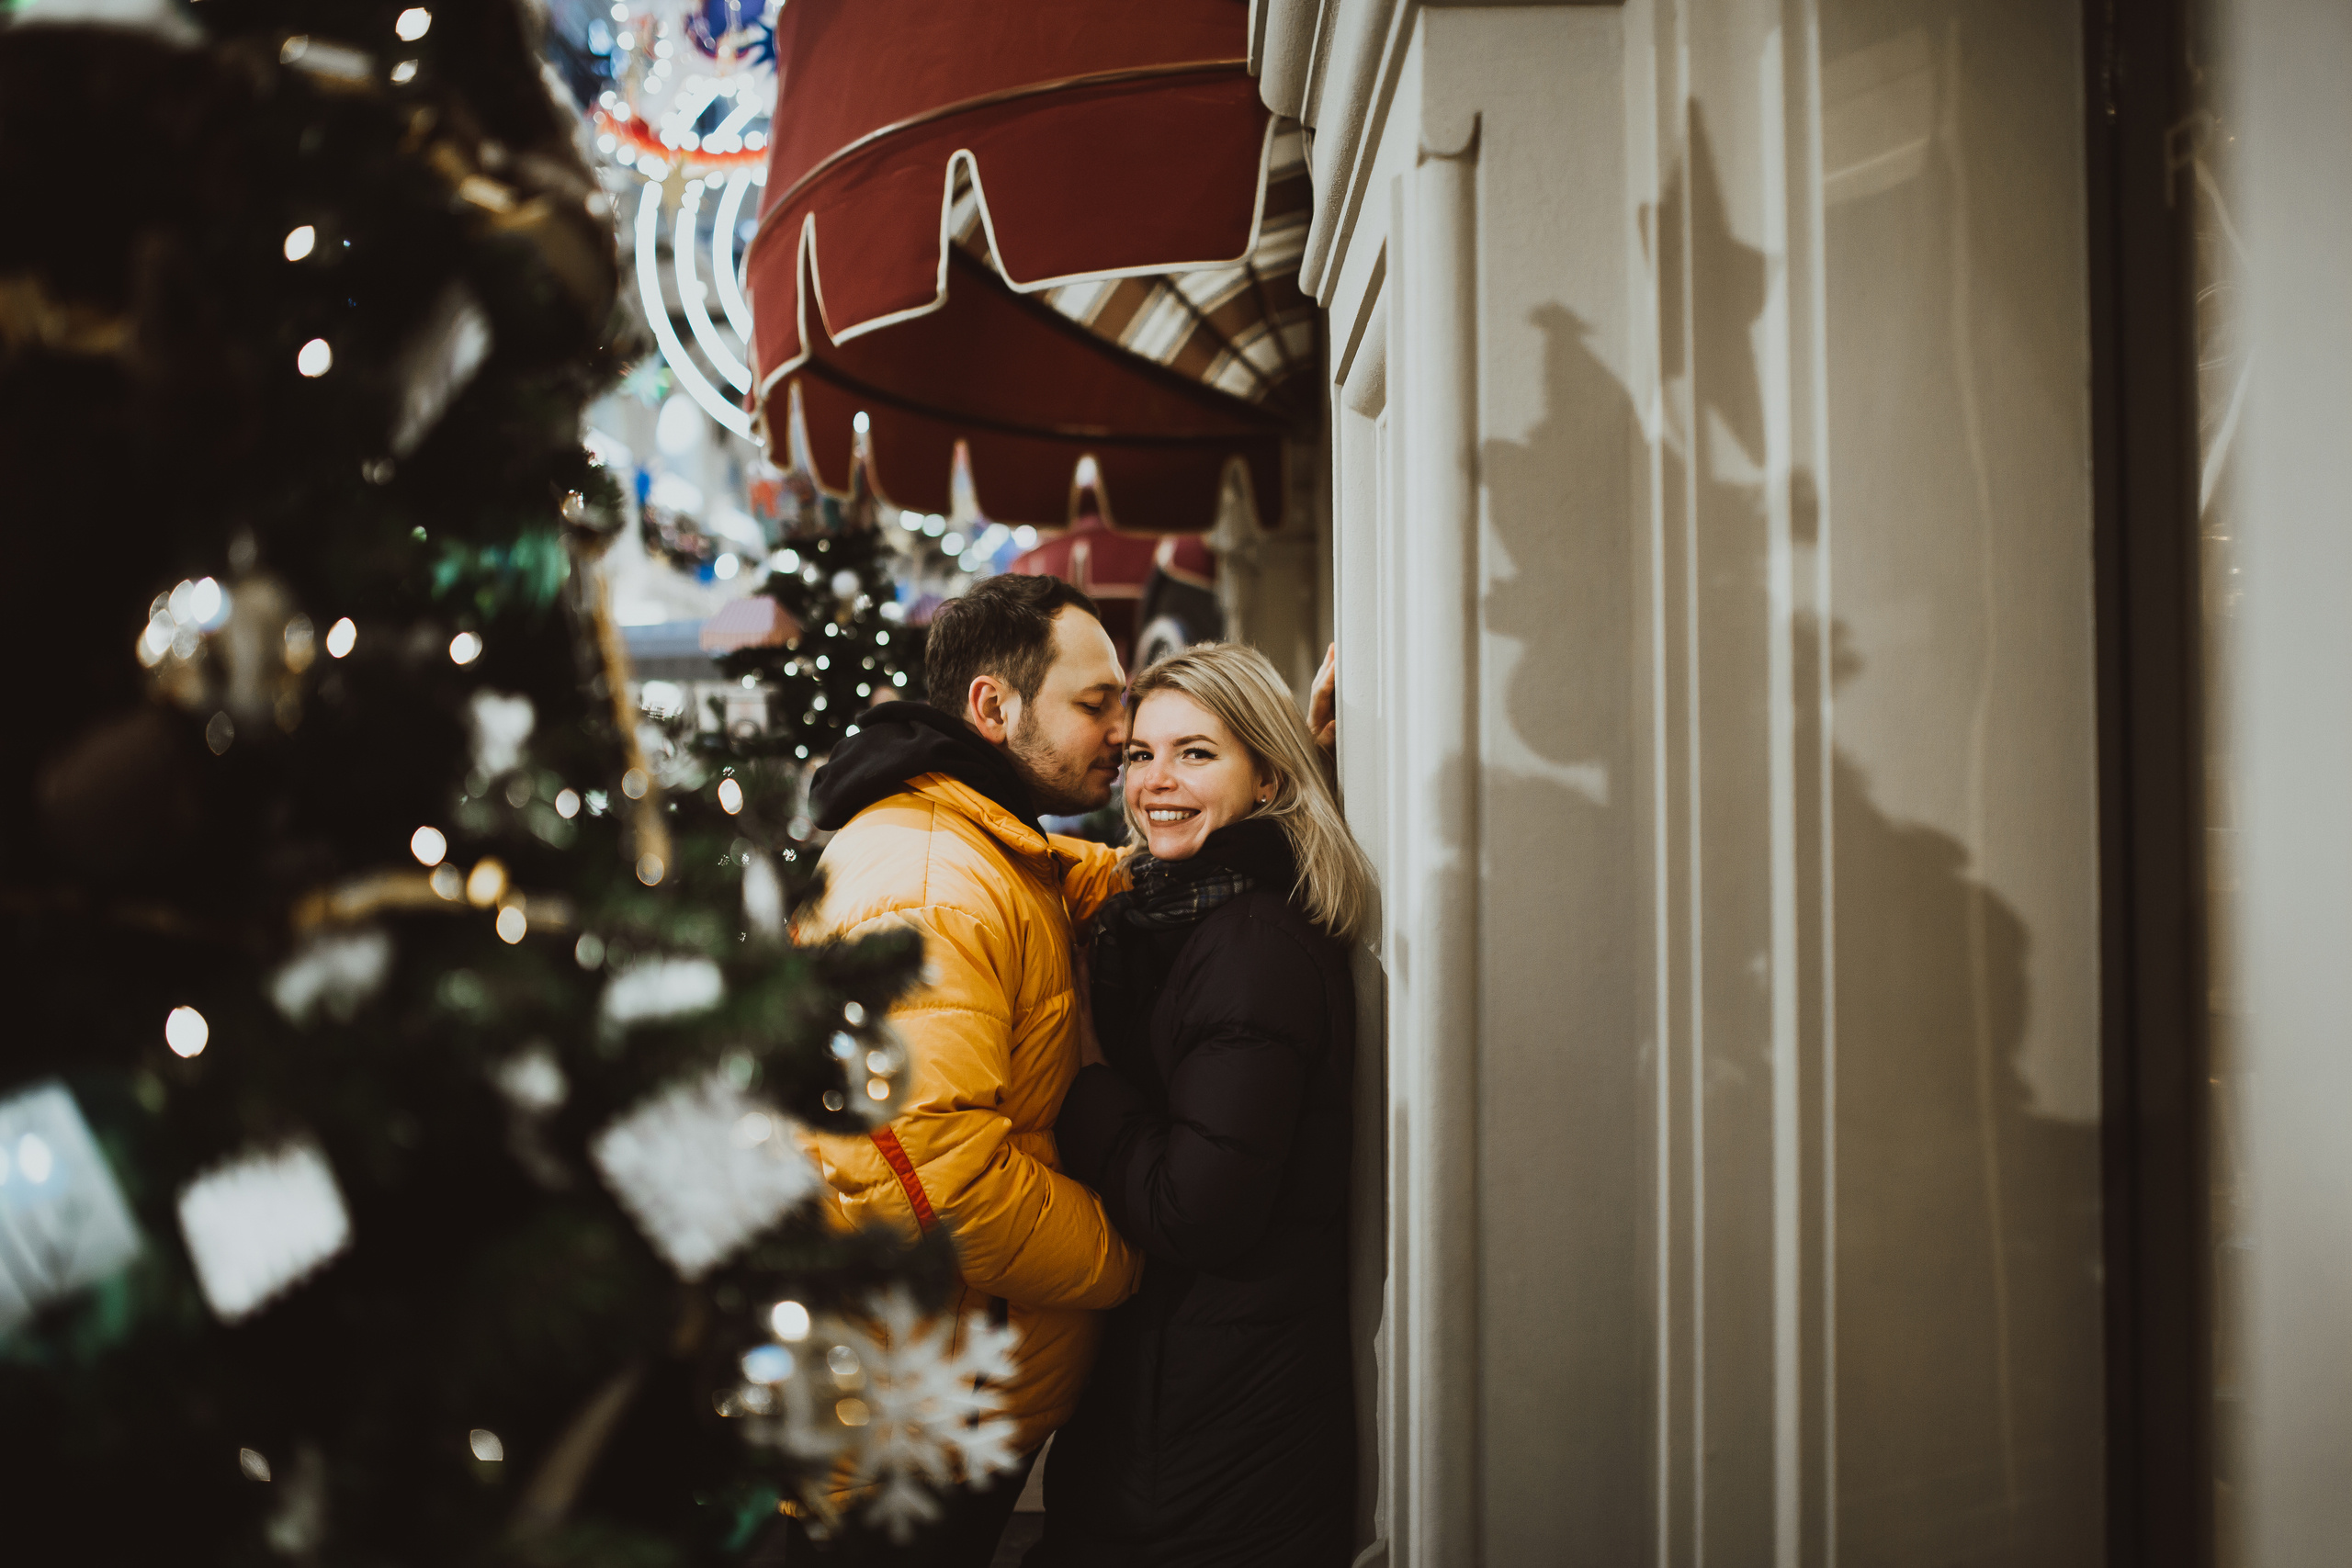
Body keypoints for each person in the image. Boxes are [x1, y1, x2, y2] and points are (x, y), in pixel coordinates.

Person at [791, 573, 1143, 1563]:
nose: (1121, 730)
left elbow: (1086, 885)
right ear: (993, 707)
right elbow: (930, 1181)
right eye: (1095, 703)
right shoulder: (934, 879)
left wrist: (1271, 773)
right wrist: (1127, 1256)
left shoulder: (983, 844)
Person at [1031, 642, 1374, 1568]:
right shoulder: (1182, 909)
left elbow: (1199, 1210)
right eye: (1141, 754)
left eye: (1196, 753)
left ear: (1265, 777)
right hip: (1178, 1397)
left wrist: (1089, 1080)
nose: (1155, 782)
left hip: (1211, 1430)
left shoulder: (1250, 944)